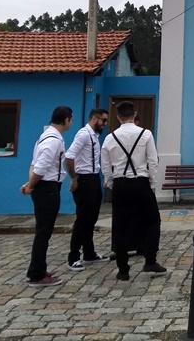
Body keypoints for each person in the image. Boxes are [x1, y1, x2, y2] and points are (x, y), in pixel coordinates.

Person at [101, 101, 166, 281]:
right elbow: (153, 161)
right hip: (141, 182)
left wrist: (112, 184)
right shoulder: (145, 135)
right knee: (153, 220)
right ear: (135, 114)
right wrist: (152, 184)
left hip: (120, 184)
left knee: (120, 225)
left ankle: (123, 269)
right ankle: (150, 260)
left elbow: (105, 166)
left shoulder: (109, 138)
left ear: (118, 116)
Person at [20, 105, 73, 288]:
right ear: (66, 119)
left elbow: (34, 165)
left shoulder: (45, 137)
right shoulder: (53, 141)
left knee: (43, 232)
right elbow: (40, 168)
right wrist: (32, 185)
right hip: (48, 189)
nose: (70, 123)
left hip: (42, 187)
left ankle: (39, 269)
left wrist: (30, 184)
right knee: (43, 233)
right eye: (70, 120)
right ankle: (37, 274)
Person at [64, 108, 110, 272]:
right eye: (103, 120)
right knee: (82, 219)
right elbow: (69, 157)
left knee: (91, 218)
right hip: (84, 179)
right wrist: (74, 178)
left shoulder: (94, 136)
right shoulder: (84, 134)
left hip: (93, 178)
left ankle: (89, 252)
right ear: (94, 119)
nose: (104, 124)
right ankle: (73, 256)